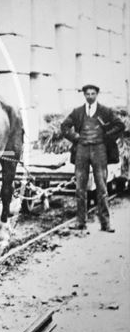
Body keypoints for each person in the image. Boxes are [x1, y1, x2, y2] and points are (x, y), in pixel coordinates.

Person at [60, 83, 124, 232]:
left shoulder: (105, 111)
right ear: (84, 95)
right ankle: (80, 222)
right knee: (80, 188)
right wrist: (75, 137)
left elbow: (120, 125)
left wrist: (106, 137)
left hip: (99, 150)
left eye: (92, 94)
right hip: (81, 151)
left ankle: (105, 224)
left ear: (97, 94)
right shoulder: (77, 112)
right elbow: (64, 127)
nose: (90, 96)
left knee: (101, 187)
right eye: (87, 94)